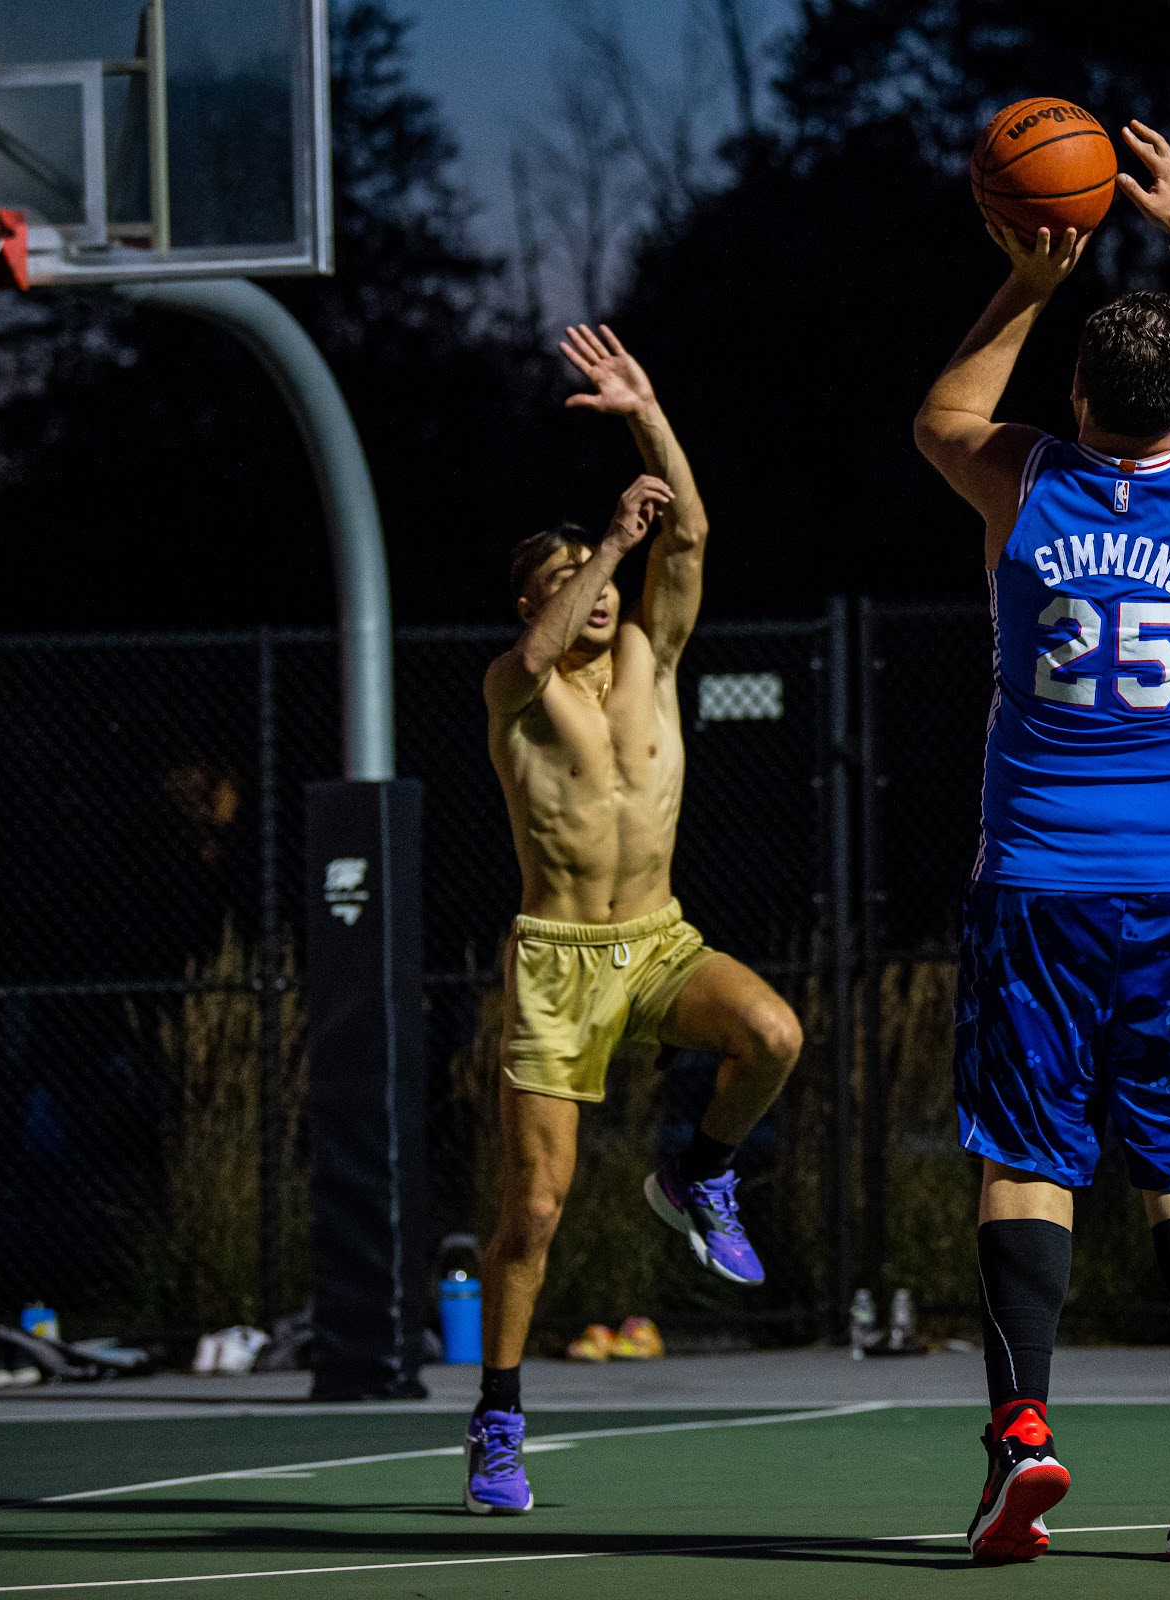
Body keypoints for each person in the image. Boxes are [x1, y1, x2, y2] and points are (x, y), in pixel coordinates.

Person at [913, 121, 1170, 1563]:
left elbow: (940, 414)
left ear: (1074, 395)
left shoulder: (1024, 482)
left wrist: (1029, 277)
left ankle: (1022, 1438)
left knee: (1027, 1156)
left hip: (1041, 883)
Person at [464, 325, 804, 1516]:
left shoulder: (653, 658)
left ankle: (698, 1175)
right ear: (537, 597)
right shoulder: (517, 690)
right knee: (534, 1209)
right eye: (571, 579)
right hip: (557, 966)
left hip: (656, 942)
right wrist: (606, 541)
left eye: (606, 576)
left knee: (772, 1034)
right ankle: (498, 1421)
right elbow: (538, 645)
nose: (602, 592)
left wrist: (647, 415)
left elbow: (690, 534)